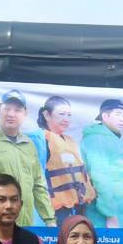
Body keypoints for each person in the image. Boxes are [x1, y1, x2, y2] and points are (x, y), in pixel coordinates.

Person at [0, 89, 55, 227]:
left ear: (25, 114)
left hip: (24, 225)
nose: (11, 114)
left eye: (17, 110)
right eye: (7, 108)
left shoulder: (29, 145)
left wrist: (50, 220)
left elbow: (39, 185)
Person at [32, 95, 97, 224]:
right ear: (46, 115)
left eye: (69, 115)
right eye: (61, 114)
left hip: (78, 207)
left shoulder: (70, 140)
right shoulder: (41, 140)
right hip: (56, 212)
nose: (66, 119)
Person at [81, 98, 123, 229]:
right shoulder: (96, 139)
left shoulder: (114, 140)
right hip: (106, 218)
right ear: (105, 116)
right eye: (118, 114)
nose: (122, 119)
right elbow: (100, 178)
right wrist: (110, 214)